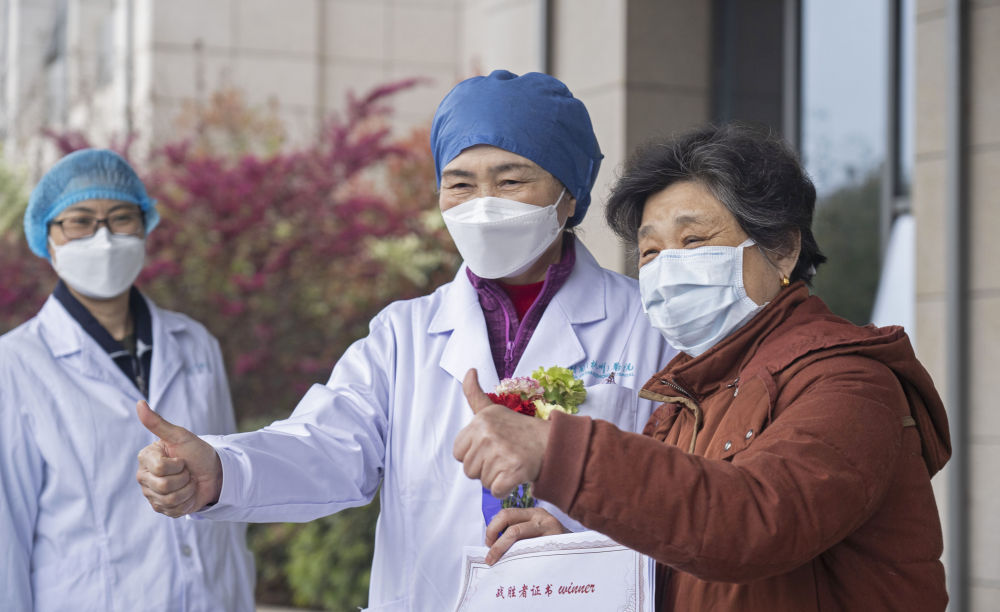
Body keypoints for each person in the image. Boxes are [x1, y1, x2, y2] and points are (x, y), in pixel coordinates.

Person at [134, 70, 675, 611]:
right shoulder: (403, 335)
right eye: (460, 184)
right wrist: (221, 469)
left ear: (569, 194)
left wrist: (581, 548)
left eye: (511, 181)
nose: (483, 204)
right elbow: (324, 446)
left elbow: (682, 496)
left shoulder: (647, 327)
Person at [454, 124, 951, 611]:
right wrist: (580, 557)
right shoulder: (686, 401)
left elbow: (753, 524)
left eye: (693, 241)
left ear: (783, 250)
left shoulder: (848, 383)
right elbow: (686, 551)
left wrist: (559, 451)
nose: (667, 269)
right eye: (650, 252)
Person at [0, 149, 255, 611]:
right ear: (47, 237)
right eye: (80, 221)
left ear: (144, 226)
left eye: (121, 218)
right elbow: (6, 538)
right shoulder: (14, 365)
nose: (103, 239)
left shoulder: (195, 344)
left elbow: (227, 498)